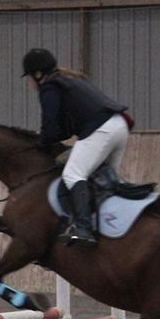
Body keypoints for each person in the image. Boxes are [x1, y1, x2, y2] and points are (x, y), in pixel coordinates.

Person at [22, 48, 133, 247]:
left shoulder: (49, 87)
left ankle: (83, 228)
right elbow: (63, 129)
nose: (29, 82)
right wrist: (50, 138)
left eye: (29, 77)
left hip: (101, 131)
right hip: (119, 126)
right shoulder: (70, 80)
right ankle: (113, 228)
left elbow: (50, 126)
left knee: (73, 175)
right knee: (102, 180)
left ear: (38, 74)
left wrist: (40, 144)